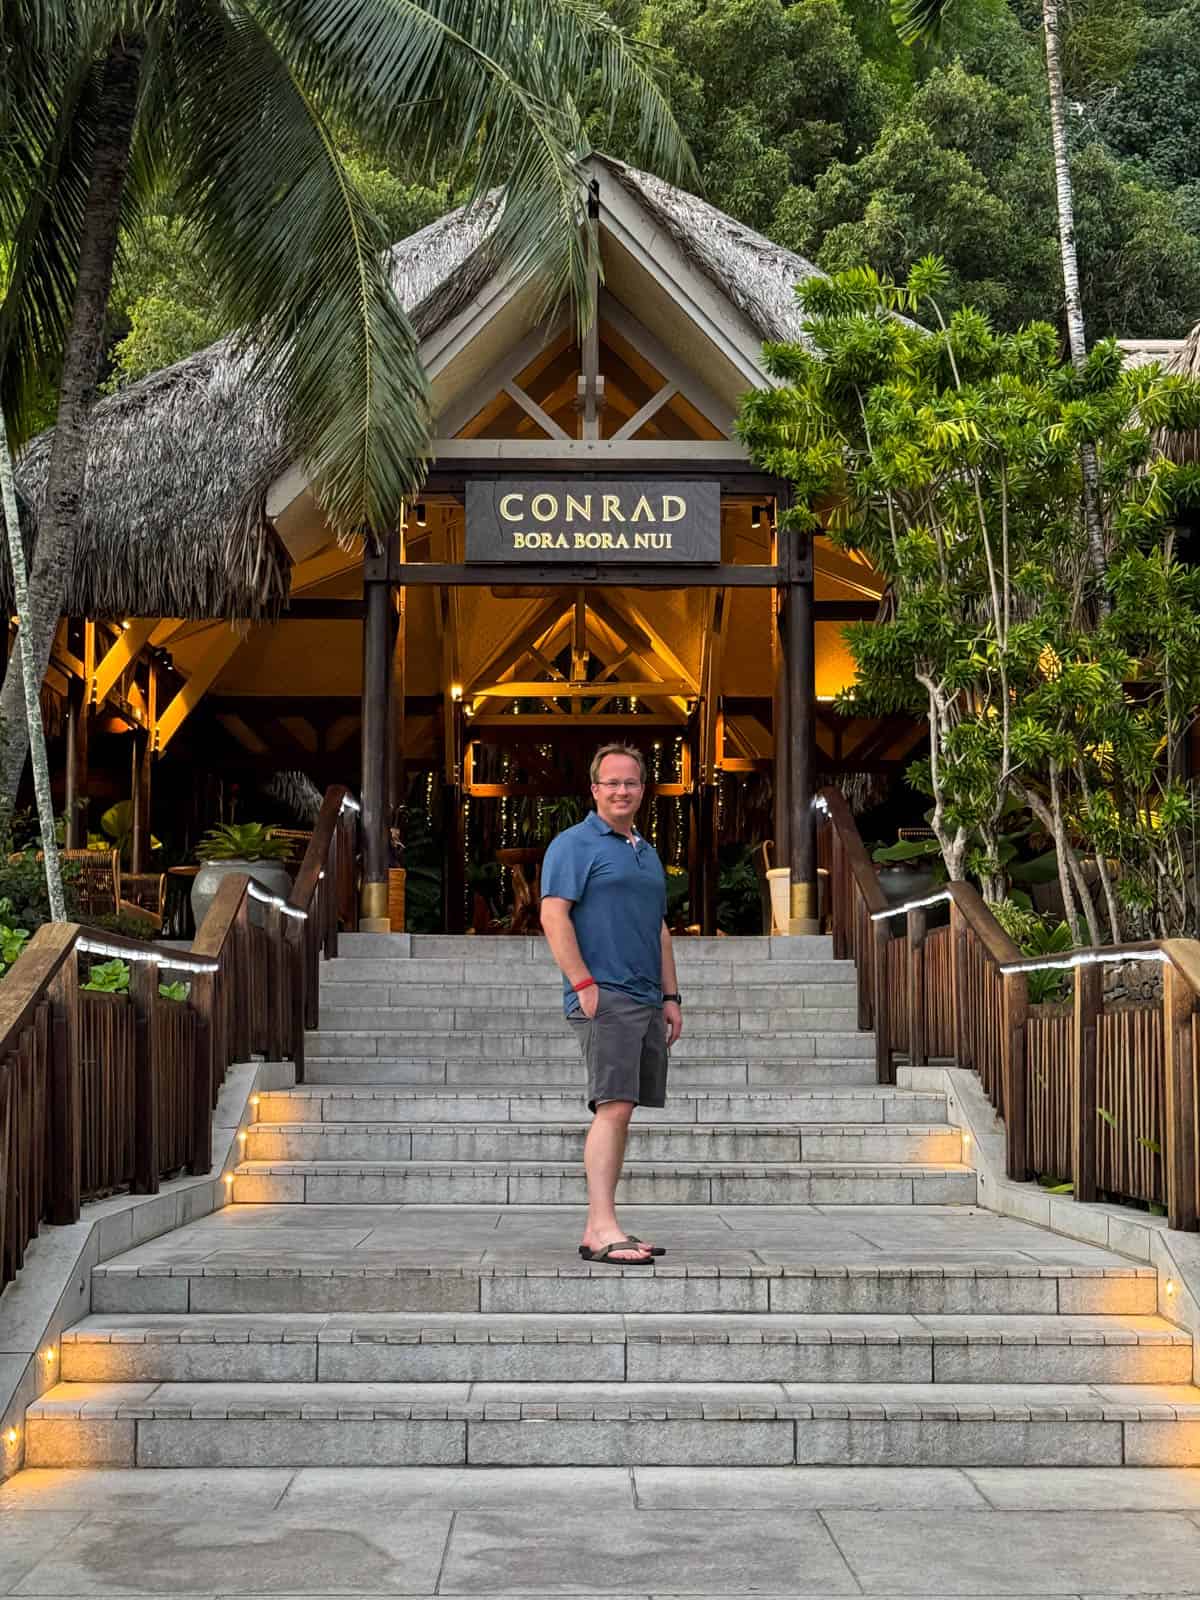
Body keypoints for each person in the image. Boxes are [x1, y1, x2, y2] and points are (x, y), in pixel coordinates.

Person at [540, 743, 684, 1265]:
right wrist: (582, 984)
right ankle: (601, 1227)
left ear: (643, 790)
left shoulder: (644, 852)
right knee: (613, 1106)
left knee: (623, 1109)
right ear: (595, 789)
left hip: (645, 998)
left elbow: (659, 929)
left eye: (632, 783)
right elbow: (554, 916)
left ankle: (600, 1223)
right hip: (605, 995)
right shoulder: (574, 845)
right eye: (612, 783)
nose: (622, 791)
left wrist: (670, 995)